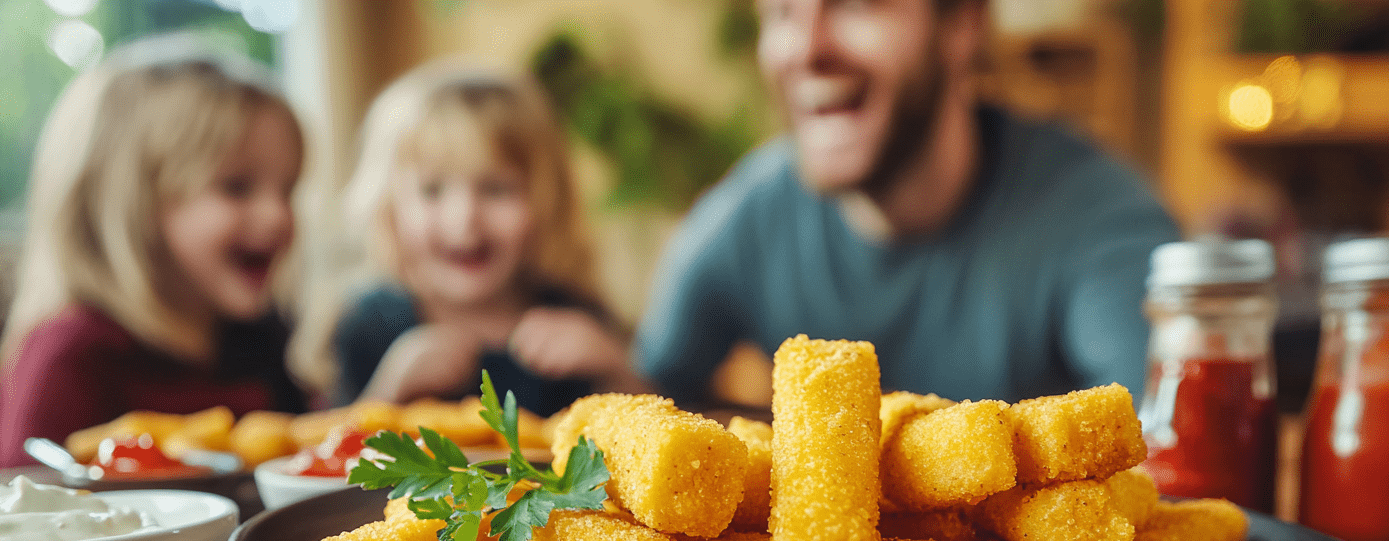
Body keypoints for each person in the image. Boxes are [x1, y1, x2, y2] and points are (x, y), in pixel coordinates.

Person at [634, 0, 1182, 405]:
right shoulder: (745, 217)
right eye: (781, 13)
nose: (806, 48)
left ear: (962, 24)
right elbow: (644, 401)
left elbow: (1171, 456)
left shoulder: (1098, 217)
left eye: (853, 5)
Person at [0, 41, 308, 468]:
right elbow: (21, 509)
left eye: (287, 189)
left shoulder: (260, 337)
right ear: (133, 206)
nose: (279, 215)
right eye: (236, 187)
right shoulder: (70, 356)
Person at [329, 62, 646, 417]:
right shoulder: (371, 324)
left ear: (545, 201)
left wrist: (614, 367)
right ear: (388, 209)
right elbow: (326, 454)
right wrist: (389, 391)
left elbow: (647, 436)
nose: (465, 217)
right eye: (432, 190)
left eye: (497, 189)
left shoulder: (575, 316)